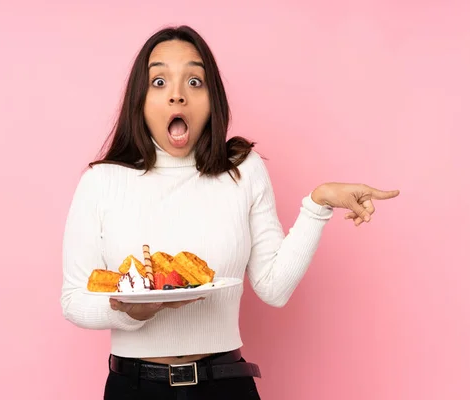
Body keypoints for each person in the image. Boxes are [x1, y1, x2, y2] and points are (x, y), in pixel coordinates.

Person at [60, 25, 400, 400]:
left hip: (225, 385)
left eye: (194, 81)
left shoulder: (243, 169)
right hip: (134, 388)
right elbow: (74, 299)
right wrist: (130, 313)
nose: (176, 96)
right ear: (139, 99)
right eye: (159, 82)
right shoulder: (102, 181)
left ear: (212, 98)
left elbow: (273, 288)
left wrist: (317, 205)